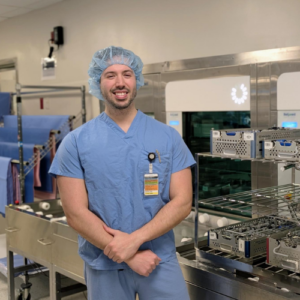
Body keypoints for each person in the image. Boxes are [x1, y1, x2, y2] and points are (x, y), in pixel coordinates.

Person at [49, 46, 195, 300]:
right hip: (104, 263)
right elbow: (75, 213)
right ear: (98, 82)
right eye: (110, 75)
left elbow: (182, 202)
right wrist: (130, 256)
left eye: (127, 74)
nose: (120, 82)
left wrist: (134, 241)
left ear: (136, 79)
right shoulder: (75, 142)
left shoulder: (168, 137)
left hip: (158, 259)